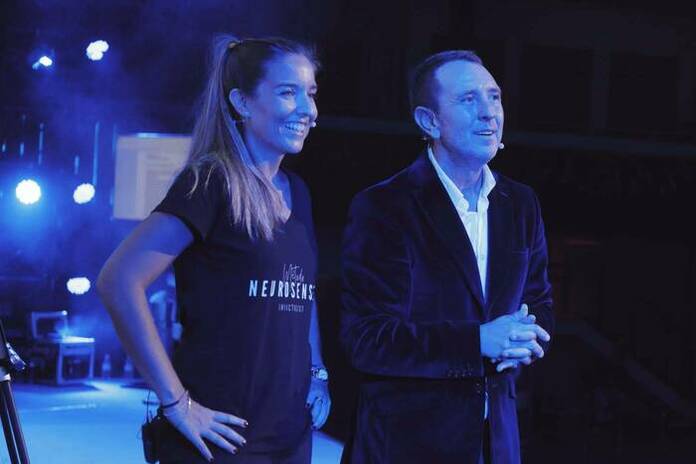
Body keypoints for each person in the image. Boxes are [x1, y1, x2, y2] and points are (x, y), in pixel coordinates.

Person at [97, 36, 331, 464]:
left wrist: (317, 373)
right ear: (241, 103)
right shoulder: (210, 183)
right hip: (220, 438)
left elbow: (303, 290)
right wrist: (176, 403)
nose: (307, 109)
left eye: (311, 93)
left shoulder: (298, 191)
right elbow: (119, 281)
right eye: (288, 92)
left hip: (289, 435)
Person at [339, 50, 553, 464]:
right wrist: (477, 342)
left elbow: (539, 304)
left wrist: (527, 337)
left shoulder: (520, 203)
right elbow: (368, 339)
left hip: (497, 444)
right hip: (406, 445)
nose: (489, 112)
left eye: (494, 97)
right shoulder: (385, 207)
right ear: (429, 121)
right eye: (469, 100)